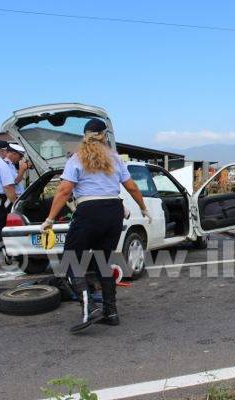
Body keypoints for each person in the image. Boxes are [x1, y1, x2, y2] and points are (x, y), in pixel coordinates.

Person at [40, 118, 149, 332]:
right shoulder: (115, 159)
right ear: (104, 135)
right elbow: (132, 187)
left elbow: (64, 191)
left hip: (89, 212)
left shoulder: (77, 158)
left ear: (85, 136)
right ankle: (111, 312)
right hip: (113, 212)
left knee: (71, 261)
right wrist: (143, 208)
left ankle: (89, 308)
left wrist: (50, 219)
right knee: (102, 261)